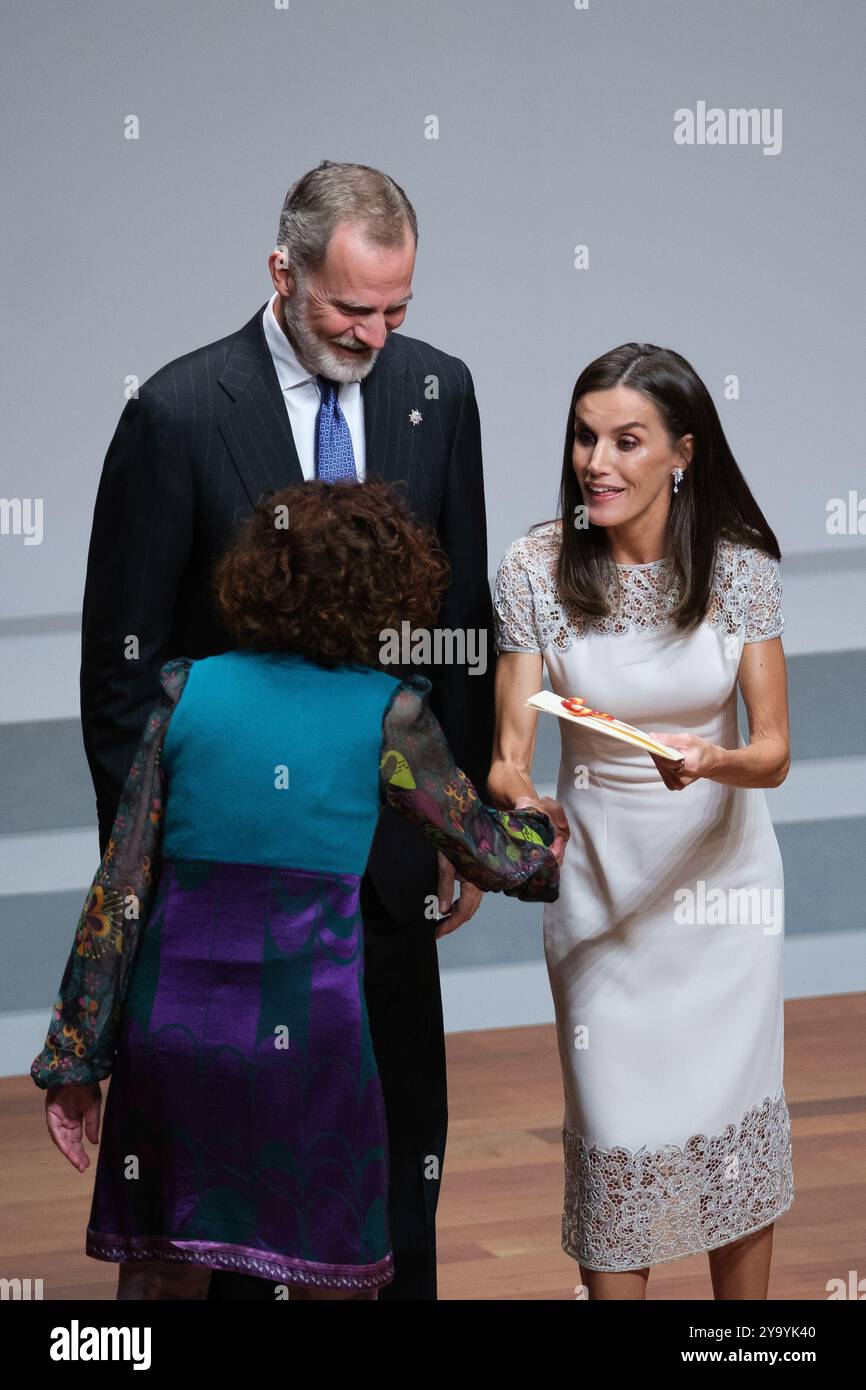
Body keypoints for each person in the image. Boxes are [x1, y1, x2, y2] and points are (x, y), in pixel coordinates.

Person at [78, 161, 496, 1299]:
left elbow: (457, 627)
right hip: (230, 887)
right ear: (282, 270)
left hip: (384, 859)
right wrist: (162, 845)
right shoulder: (174, 412)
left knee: (393, 1146)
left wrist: (465, 822)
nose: (373, 334)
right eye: (349, 308)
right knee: (215, 1180)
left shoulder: (438, 391)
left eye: (396, 309)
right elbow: (122, 665)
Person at [32, 480, 565, 1301]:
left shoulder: (185, 691)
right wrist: (543, 831)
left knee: (162, 1266)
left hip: (172, 1036)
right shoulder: (389, 713)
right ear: (389, 593)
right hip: (307, 1042)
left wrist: (75, 1059)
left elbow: (121, 884)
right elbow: (490, 854)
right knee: (331, 1272)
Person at [489, 342, 794, 1300]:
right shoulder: (536, 567)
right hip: (599, 893)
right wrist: (520, 798)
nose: (598, 462)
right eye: (586, 438)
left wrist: (714, 758)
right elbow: (508, 753)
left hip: (725, 893)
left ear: (682, 454)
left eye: (627, 440)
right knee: (616, 1140)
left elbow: (775, 751)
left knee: (732, 1146)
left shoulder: (740, 570)